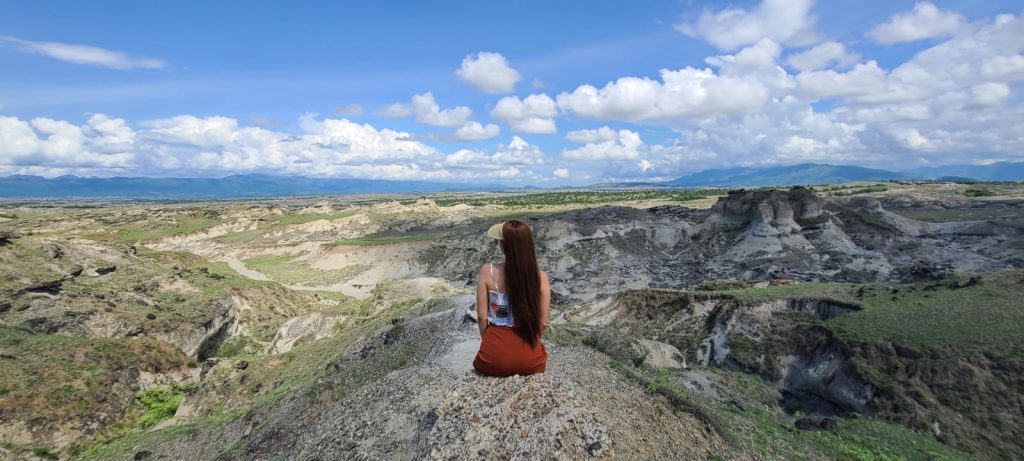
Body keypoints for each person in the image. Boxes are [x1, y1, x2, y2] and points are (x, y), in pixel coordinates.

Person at [472, 220, 550, 376]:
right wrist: (531, 343)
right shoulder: (541, 278)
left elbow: (481, 317)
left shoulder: (488, 271)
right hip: (531, 358)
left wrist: (489, 341)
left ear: (503, 246)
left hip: (493, 355)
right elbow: (542, 322)